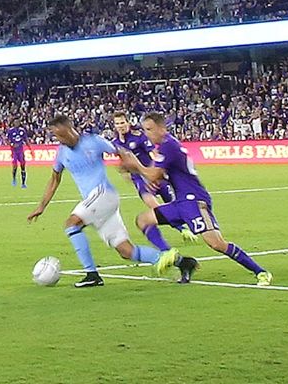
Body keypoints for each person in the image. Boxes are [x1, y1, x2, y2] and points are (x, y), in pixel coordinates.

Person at [26, 113, 180, 288]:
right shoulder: (61, 153)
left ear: (70, 129)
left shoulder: (93, 141)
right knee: (126, 251)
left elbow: (121, 151)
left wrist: (136, 170)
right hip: (97, 203)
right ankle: (179, 261)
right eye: (55, 136)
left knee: (72, 224)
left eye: (60, 134)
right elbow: (55, 179)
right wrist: (41, 206)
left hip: (104, 194)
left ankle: (91, 274)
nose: (59, 139)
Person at [131, 113, 269, 286]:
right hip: (180, 202)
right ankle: (172, 255)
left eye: (149, 129)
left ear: (161, 128)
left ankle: (261, 272)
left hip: (194, 201)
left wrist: (136, 165)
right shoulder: (164, 146)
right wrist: (154, 178)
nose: (147, 134)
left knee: (216, 243)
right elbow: (159, 174)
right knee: (143, 220)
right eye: (145, 130)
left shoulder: (168, 145)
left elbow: (154, 174)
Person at [112, 111, 172, 252]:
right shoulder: (114, 143)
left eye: (122, 122)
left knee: (172, 204)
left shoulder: (139, 137)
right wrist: (125, 171)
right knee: (154, 207)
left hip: (152, 173)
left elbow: (152, 153)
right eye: (117, 123)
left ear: (128, 122)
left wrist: (155, 169)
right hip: (138, 178)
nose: (120, 126)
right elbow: (123, 161)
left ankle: (182, 229)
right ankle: (166, 247)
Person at [4, 121, 29, 189]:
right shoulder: (10, 131)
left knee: (23, 167)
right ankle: (14, 179)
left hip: (21, 151)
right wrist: (12, 144)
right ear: (14, 123)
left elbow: (26, 139)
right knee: (15, 166)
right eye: (16, 122)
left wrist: (30, 148)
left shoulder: (22, 130)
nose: (17, 123)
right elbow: (6, 140)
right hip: (14, 151)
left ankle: (23, 183)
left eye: (18, 122)